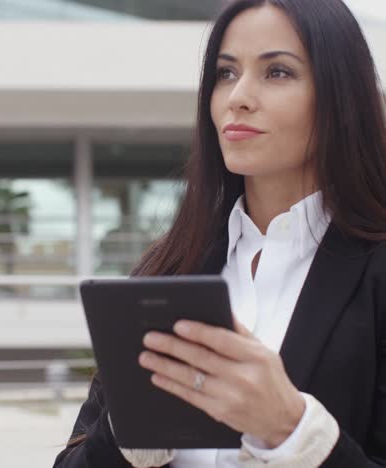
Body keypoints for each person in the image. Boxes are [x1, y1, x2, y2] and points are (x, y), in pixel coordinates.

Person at [53, 0, 386, 466]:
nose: (238, 97)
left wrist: (293, 430)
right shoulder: (167, 268)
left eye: (278, 73)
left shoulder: (374, 272)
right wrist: (131, 432)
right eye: (226, 74)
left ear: (340, 98)